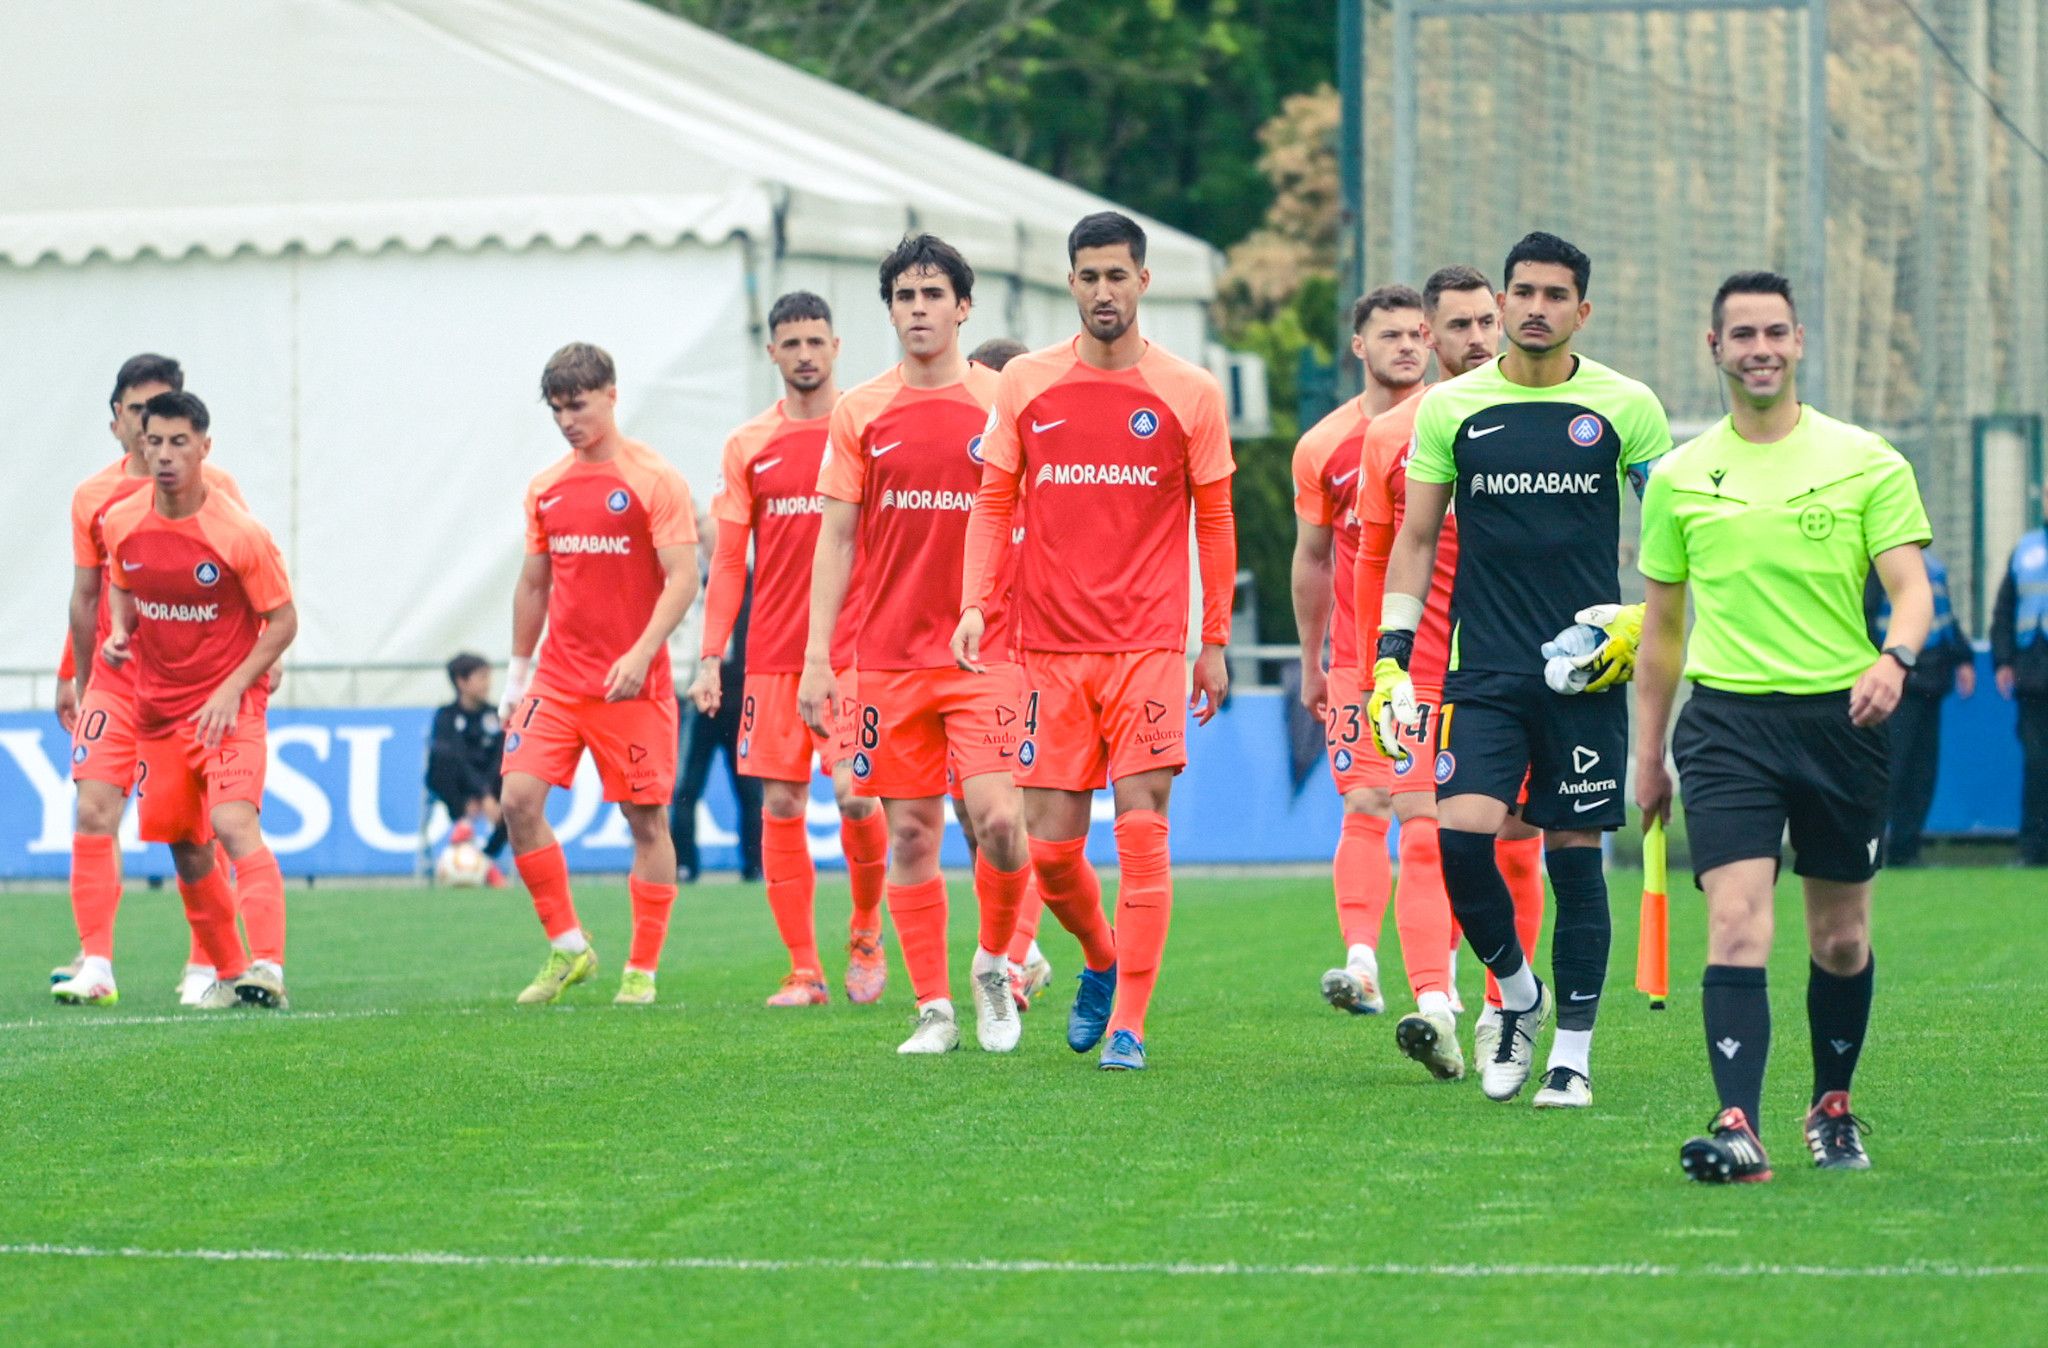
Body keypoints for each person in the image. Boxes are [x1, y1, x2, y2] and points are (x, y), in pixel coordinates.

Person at [1634, 270, 1932, 1182]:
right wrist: (1647, 753)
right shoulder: (1680, 478)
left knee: (1840, 938)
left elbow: (1910, 589)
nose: (1759, 349)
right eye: (1742, 335)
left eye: (1775, 333)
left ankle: (1832, 1107)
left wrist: (1896, 660)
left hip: (1842, 720)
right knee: (1735, 924)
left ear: (1799, 341)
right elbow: (1663, 633)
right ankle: (1738, 1125)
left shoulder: (1866, 459)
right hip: (1726, 727)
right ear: (1713, 348)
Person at [1373, 231, 1671, 1108]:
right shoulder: (1451, 409)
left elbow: (1676, 534)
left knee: (1575, 860)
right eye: (1522, 292)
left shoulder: (1628, 406)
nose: (1535, 307)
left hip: (1587, 672)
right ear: (1500, 303)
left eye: (1555, 294)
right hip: (1484, 670)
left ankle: (1572, 1055)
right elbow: (1416, 540)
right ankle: (1517, 994)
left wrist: (1644, 622)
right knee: (1459, 839)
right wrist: (1392, 659)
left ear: (1584, 310)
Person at [953, 210, 1238, 1072]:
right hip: (1046, 649)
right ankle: (1104, 961)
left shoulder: (1190, 391)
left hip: (1148, 645)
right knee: (1050, 852)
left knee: (1143, 826)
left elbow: (1216, 519)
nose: (1103, 291)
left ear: (1143, 282)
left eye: (1118, 275)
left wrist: (1211, 639)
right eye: (1088, 276)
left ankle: (1132, 1026)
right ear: (1069, 283)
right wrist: (975, 604)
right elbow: (994, 501)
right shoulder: (1027, 385)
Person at [799, 234, 1032, 1056]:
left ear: (964, 307)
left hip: (989, 653)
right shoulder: (861, 411)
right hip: (890, 660)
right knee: (908, 835)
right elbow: (834, 540)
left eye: (934, 294)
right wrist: (818, 656)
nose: (919, 309)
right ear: (890, 310)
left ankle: (996, 966)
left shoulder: (1007, 401)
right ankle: (933, 1008)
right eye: (905, 296)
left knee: (1000, 819)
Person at [1353, 267, 1549, 1081]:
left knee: (1517, 847)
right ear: (1426, 339)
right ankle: (1434, 1004)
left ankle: (1509, 1008)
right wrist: (1381, 670)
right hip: (1428, 672)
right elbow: (1375, 562)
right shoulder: (1392, 436)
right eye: (1457, 326)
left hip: (1520, 667)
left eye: (1484, 322)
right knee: (1425, 835)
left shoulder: (1545, 423)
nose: (1476, 339)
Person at [691, 290, 889, 1006]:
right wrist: (711, 653)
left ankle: (866, 927)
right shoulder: (748, 445)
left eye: (816, 341)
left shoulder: (865, 427)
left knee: (857, 797)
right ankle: (804, 970)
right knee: (780, 803)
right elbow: (730, 561)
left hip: (856, 651)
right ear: (771, 352)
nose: (805, 354)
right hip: (772, 655)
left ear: (836, 348)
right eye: (791, 343)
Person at [51, 356, 259, 1009]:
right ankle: (97, 963)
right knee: (93, 808)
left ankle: (208, 962)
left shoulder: (216, 485)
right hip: (117, 682)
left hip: (191, 686)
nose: (154, 427)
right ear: (119, 423)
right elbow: (89, 597)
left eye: (165, 410)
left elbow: (244, 575)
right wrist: (76, 678)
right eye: (141, 412)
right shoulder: (93, 497)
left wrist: (261, 661)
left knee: (193, 831)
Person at [499, 343, 699, 1007]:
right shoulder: (546, 487)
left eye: (577, 405)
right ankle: (567, 946)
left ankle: (641, 968)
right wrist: (516, 671)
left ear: (611, 395)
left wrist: (642, 650)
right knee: (517, 801)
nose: (566, 420)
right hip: (558, 682)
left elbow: (682, 578)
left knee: (647, 825)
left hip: (631, 687)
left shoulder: (654, 479)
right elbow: (533, 584)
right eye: (556, 408)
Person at [97, 391, 298, 1010]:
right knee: (186, 850)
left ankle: (268, 965)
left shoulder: (239, 533)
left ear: (204, 449)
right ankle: (233, 973)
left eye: (179, 442)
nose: (164, 455)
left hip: (231, 707)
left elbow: (283, 622)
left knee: (233, 823)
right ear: (138, 443)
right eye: (154, 441)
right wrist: (123, 634)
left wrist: (237, 685)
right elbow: (123, 586)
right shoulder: (120, 522)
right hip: (157, 710)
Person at [1291, 286, 1425, 1015]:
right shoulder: (1323, 446)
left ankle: (1459, 982)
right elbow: (1312, 558)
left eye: (1416, 334)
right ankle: (1363, 964)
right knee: (1369, 803)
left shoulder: (1447, 427)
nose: (1406, 346)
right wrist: (1315, 658)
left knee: (1442, 821)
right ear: (1359, 346)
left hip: (1448, 660)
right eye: (1390, 335)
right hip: (1358, 662)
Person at [957, 333, 1054, 1008]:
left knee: (1013, 814)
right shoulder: (971, 474)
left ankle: (1009, 958)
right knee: (977, 824)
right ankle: (1027, 950)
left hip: (1031, 659)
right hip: (968, 658)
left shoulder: (1047, 467)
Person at [1864, 550, 1974, 865]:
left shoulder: (1935, 567)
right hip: (1896, 679)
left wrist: (1962, 657)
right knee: (1891, 769)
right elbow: (1867, 615)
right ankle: (1874, 850)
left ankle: (1906, 849)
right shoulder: (1877, 565)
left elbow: (1944, 617)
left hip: (1932, 678)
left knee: (1921, 772)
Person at [674, 527, 763, 884]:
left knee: (750, 790)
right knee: (686, 788)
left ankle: (755, 865)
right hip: (702, 699)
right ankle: (685, 864)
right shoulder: (692, 582)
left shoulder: (756, 583)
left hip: (742, 699)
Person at [1990, 510, 2048, 865]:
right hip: (2033, 674)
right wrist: (2002, 661)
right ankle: (2034, 849)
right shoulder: (2025, 549)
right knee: (2037, 763)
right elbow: (2004, 610)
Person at [426, 652, 509, 883]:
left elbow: (500, 758)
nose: (488, 684)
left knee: (516, 793)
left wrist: (489, 795)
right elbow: (456, 759)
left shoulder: (495, 715)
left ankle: (484, 860)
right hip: (458, 790)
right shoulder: (446, 716)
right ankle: (462, 822)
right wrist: (480, 796)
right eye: (481, 677)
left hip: (491, 788)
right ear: (461, 682)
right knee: (443, 759)